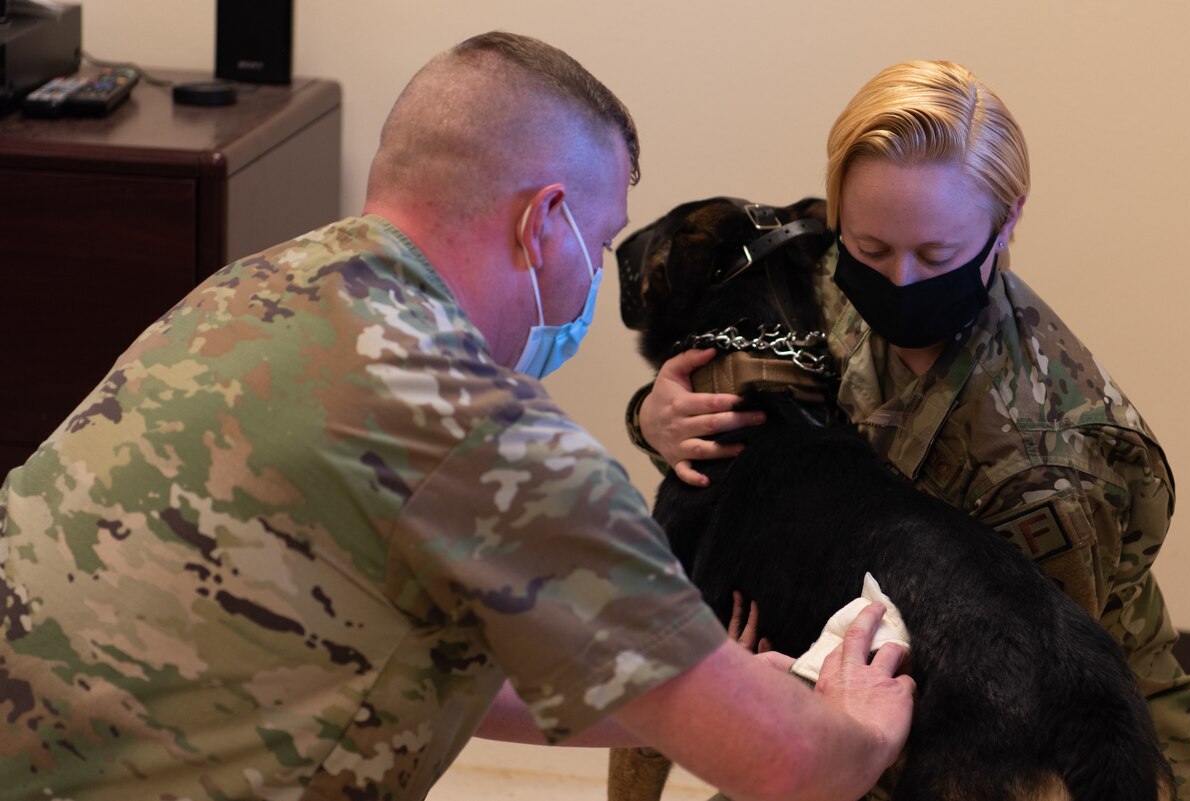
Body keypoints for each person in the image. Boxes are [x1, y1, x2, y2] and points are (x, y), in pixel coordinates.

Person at [0, 32, 915, 801]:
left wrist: (690, 697)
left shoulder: (246, 294)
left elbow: (412, 651)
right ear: (542, 222)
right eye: (599, 243)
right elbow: (789, 762)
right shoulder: (484, 433)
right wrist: (855, 724)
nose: (597, 276)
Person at [629, 59, 1190, 796]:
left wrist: (788, 710)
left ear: (1008, 221)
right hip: (877, 659)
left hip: (1062, 748)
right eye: (870, 249)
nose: (897, 280)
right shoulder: (816, 270)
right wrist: (654, 417)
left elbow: (1015, 696)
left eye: (936, 255)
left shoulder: (1046, 461)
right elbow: (744, 412)